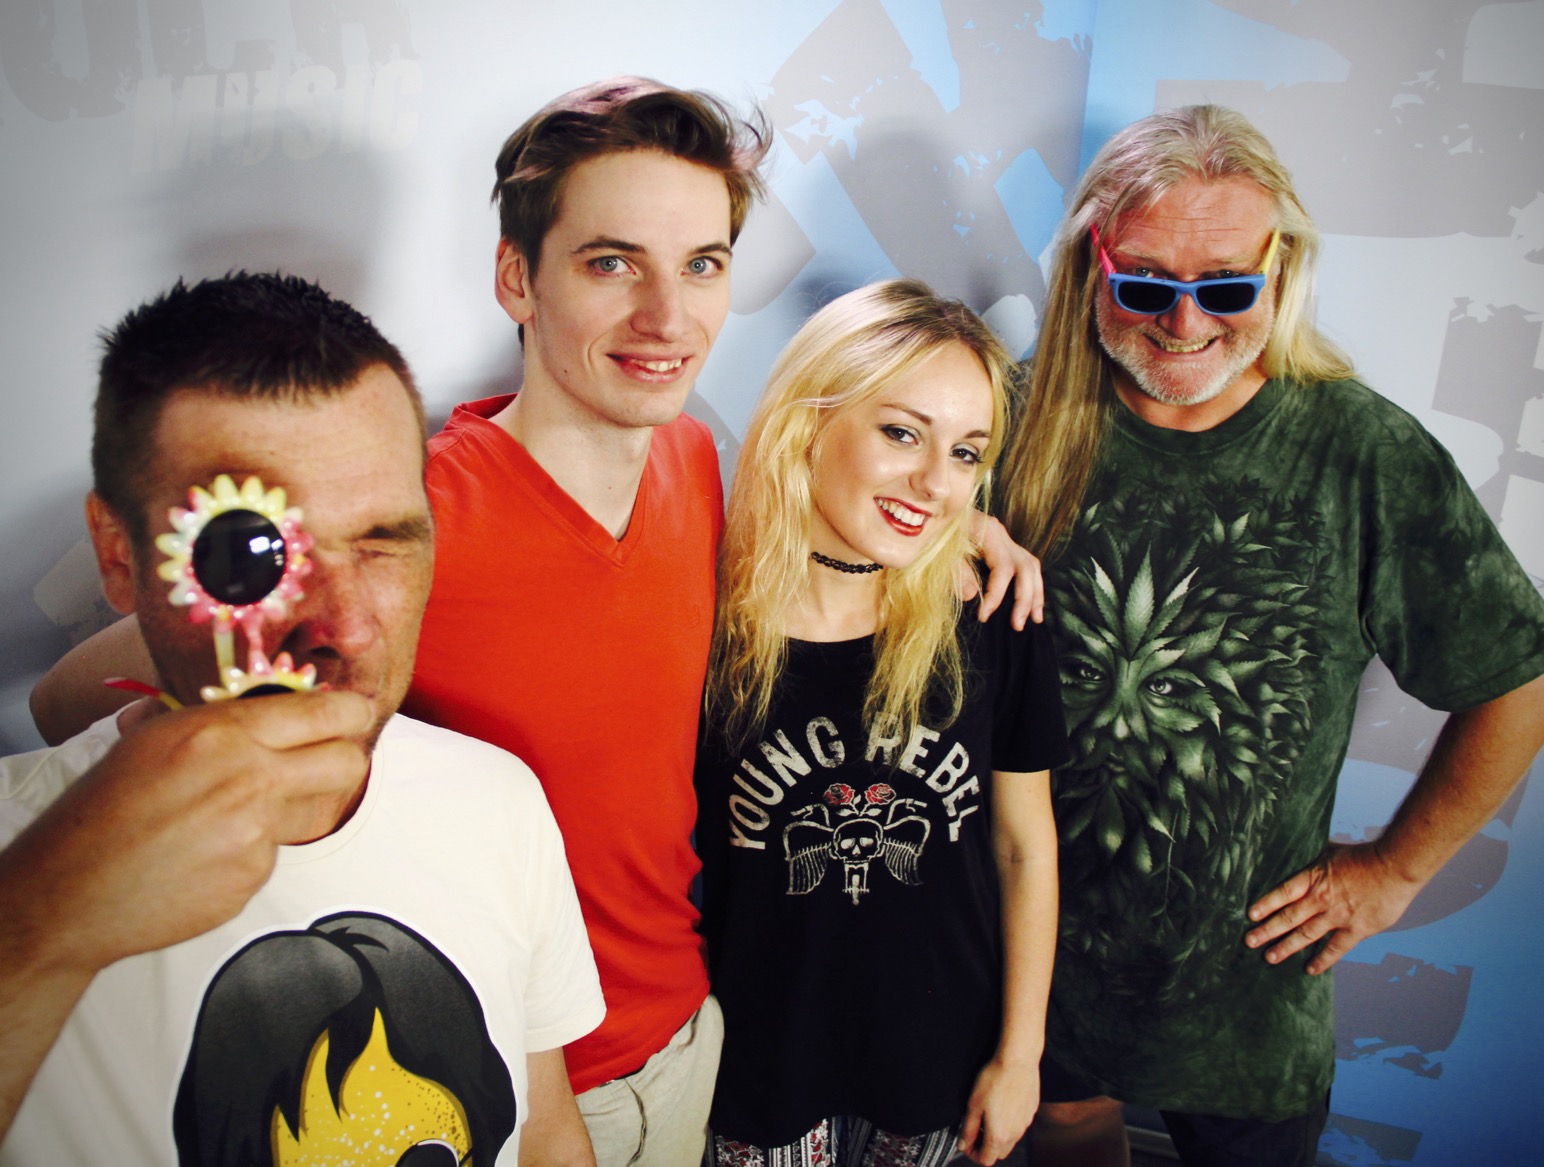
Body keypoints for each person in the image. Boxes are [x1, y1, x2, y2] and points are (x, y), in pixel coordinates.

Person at [26, 78, 1042, 1165]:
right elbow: (64, 700)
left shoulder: (692, 463)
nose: (668, 318)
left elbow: (822, 526)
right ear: (519, 277)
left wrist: (955, 526)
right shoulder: (416, 519)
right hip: (517, 1070)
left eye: (701, 265)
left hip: (693, 1044)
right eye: (612, 264)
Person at [1000, 105, 1544, 1167]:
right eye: (1145, 285)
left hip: (1247, 1001)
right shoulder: (1007, 422)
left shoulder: (1361, 452)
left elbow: (1528, 683)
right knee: (1068, 1126)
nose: (1184, 323)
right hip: (1031, 965)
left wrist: (1394, 871)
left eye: (1226, 288)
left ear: (1282, 270)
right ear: (1091, 265)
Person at [0, 272, 604, 1166]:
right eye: (253, 552)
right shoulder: (19, 849)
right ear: (120, 556)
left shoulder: (498, 801)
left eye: (383, 541)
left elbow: (545, 1128)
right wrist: (40, 921)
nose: (348, 627)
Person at [696, 279, 1064, 1167]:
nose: (937, 483)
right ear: (809, 422)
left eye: (967, 452)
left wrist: (1021, 1055)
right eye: (902, 432)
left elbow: (1025, 848)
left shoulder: (993, 614)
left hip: (940, 1067)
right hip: (757, 1070)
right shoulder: (702, 621)